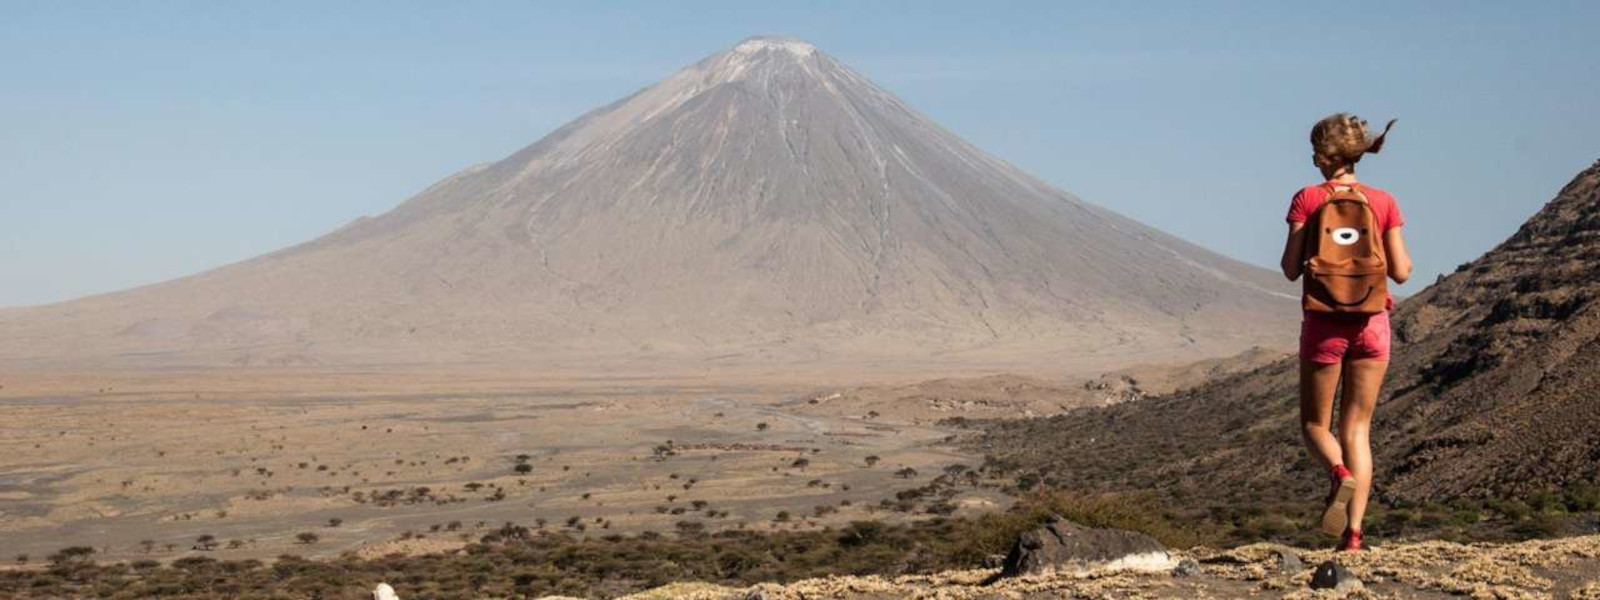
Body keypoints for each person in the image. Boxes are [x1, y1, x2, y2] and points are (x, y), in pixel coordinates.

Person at [1278, 113, 1413, 552]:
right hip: (1372, 324)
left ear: (1325, 155)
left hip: (1323, 325)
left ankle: (1339, 475)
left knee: (1315, 424)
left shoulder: (1308, 199)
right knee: (1358, 428)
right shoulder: (1384, 201)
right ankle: (1353, 536)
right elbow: (1403, 272)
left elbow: (1289, 268)